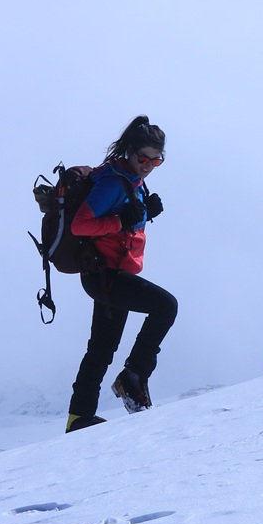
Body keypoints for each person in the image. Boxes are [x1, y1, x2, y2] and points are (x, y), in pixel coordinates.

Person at [65, 116, 177, 433]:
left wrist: (144, 213)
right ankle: (133, 377)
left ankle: (78, 419)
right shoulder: (114, 182)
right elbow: (80, 225)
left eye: (156, 160)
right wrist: (122, 221)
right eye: (143, 158)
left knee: (101, 349)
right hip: (105, 275)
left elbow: (126, 221)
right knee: (166, 306)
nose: (148, 166)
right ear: (130, 152)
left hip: (109, 273)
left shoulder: (132, 179)